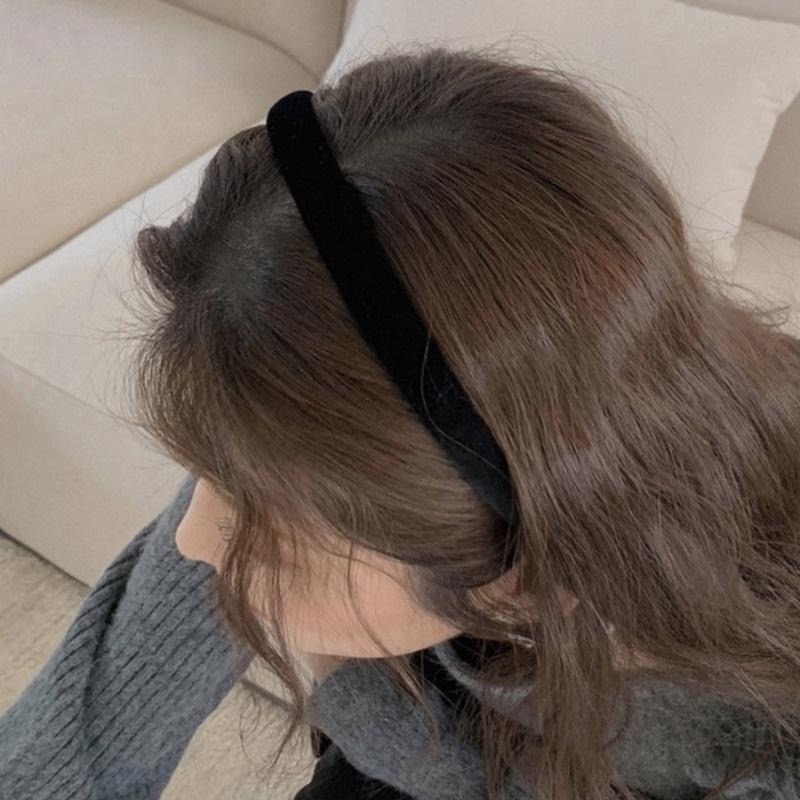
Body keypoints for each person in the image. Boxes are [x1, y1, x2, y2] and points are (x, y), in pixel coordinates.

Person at [3, 42, 800, 800]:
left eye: (271, 536)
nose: (189, 538)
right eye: (215, 478)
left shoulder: (761, 733)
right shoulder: (418, 432)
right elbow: (80, 739)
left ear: (520, 580)